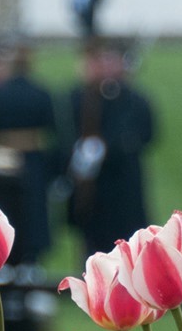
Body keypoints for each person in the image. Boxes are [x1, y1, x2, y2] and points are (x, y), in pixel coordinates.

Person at [63, 37, 156, 257]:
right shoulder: (83, 97)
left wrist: (108, 149)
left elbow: (146, 135)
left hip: (124, 183)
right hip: (95, 188)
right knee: (92, 244)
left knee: (128, 241)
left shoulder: (136, 99)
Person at [0, 38, 57, 263]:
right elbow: (52, 131)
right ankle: (31, 262)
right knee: (33, 214)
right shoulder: (42, 93)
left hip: (4, 163)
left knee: (7, 212)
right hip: (33, 163)